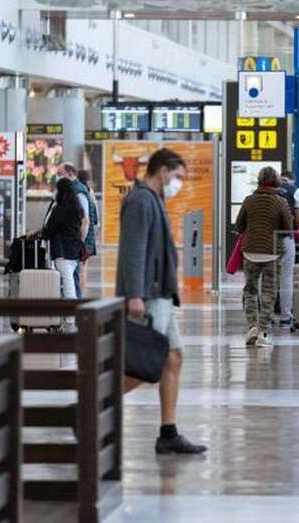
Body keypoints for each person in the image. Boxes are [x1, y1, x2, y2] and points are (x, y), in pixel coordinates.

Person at [116, 148, 207, 455]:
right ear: (162, 171)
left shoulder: (154, 199)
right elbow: (133, 250)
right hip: (148, 295)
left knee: (173, 357)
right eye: (177, 176)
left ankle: (169, 432)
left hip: (162, 294)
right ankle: (93, 403)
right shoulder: (140, 201)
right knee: (145, 364)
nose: (178, 183)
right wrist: (134, 295)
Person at [235, 167, 294, 348]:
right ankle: (263, 332)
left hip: (250, 251)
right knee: (269, 292)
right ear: (276, 181)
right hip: (272, 253)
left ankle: (252, 327)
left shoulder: (249, 200)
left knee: (250, 290)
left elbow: (239, 226)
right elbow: (288, 228)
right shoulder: (281, 202)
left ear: (259, 180)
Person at [41, 178, 83, 335]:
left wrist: (44, 233)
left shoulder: (59, 210)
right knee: (69, 280)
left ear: (61, 192)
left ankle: (71, 317)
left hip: (62, 251)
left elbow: (48, 230)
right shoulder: (77, 208)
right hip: (75, 250)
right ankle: (69, 314)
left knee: (67, 283)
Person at [56, 163, 90, 298]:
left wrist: (80, 242)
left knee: (73, 277)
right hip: (72, 243)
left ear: (70, 173)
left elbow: (85, 220)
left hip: (73, 244)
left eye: (60, 174)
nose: (57, 177)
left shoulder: (78, 191)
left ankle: (75, 306)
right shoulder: (70, 191)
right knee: (72, 276)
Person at [277, 170, 299, 328]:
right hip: (285, 237)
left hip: (265, 239)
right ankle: (285, 316)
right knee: (286, 277)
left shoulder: (264, 190)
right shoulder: (294, 190)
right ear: (292, 180)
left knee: (266, 277)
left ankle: (266, 316)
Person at [77, 169, 99, 291]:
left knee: (80, 268)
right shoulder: (90, 192)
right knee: (83, 267)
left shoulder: (81, 193)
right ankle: (81, 292)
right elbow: (95, 217)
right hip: (89, 235)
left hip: (83, 234)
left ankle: (79, 293)